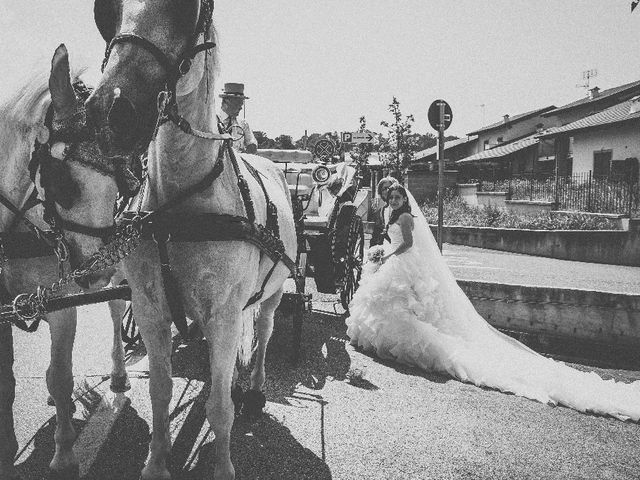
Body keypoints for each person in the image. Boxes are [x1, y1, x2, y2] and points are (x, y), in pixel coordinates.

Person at [346, 184, 640, 421]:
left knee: (402, 304)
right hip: (394, 261)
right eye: (390, 196)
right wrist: (381, 251)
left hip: (402, 263)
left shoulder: (406, 217)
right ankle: (382, 341)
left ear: (403, 199)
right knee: (392, 303)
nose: (394, 199)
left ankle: (403, 343)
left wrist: (385, 255)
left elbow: (407, 244)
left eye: (397, 196)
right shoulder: (390, 214)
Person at [217, 82, 258, 154]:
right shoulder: (214, 120)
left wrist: (247, 154)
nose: (241, 108)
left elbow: (252, 144)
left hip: (237, 163)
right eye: (237, 104)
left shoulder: (243, 124)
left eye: (241, 104)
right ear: (225, 102)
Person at [369, 176, 399, 247]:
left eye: (389, 188)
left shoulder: (400, 209)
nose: (386, 191)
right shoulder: (380, 211)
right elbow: (375, 235)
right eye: (384, 189)